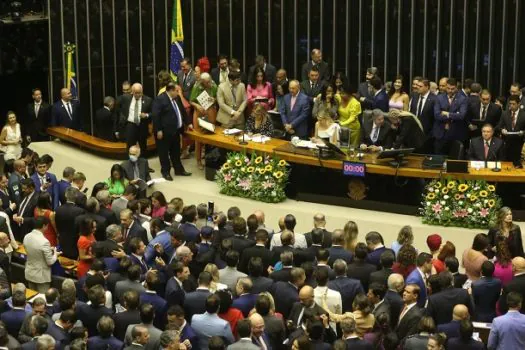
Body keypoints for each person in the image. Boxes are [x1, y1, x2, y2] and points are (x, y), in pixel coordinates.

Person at [152, 82, 191, 180]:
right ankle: (165, 172)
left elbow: (182, 111)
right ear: (171, 90)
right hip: (164, 132)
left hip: (176, 131)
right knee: (164, 153)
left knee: (176, 152)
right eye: (177, 91)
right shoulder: (160, 99)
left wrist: (188, 123)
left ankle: (179, 170)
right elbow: (156, 116)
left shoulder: (176, 98)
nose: (178, 93)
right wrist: (159, 130)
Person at [23, 216, 59, 293]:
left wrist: (49, 249)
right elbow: (50, 262)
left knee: (32, 299)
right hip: (41, 277)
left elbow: (33, 251)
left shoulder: (26, 236)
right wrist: (55, 253)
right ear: (44, 226)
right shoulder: (44, 242)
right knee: (42, 301)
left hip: (29, 273)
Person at [189, 72, 218, 169]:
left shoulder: (213, 84)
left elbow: (217, 98)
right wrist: (197, 105)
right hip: (199, 112)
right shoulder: (197, 86)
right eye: (207, 82)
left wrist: (213, 99)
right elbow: (191, 101)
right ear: (202, 82)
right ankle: (198, 161)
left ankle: (209, 159)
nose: (209, 83)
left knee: (210, 136)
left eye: (209, 81)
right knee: (199, 138)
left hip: (210, 111)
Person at [433, 78, 468, 155]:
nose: (450, 91)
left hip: (456, 134)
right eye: (448, 88)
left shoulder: (463, 99)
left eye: (452, 89)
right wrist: (455, 114)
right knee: (438, 158)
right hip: (440, 134)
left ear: (456, 87)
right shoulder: (439, 98)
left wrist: (447, 114)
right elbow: (437, 115)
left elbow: (461, 116)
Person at [118, 83, 153, 156]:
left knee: (143, 146)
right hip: (130, 126)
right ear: (132, 92)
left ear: (142, 91)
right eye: (135, 93)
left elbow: (153, 113)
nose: (137, 95)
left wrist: (146, 115)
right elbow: (118, 109)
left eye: (139, 93)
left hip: (142, 126)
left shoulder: (148, 100)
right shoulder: (126, 98)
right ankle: (130, 164)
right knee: (130, 147)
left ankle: (143, 164)